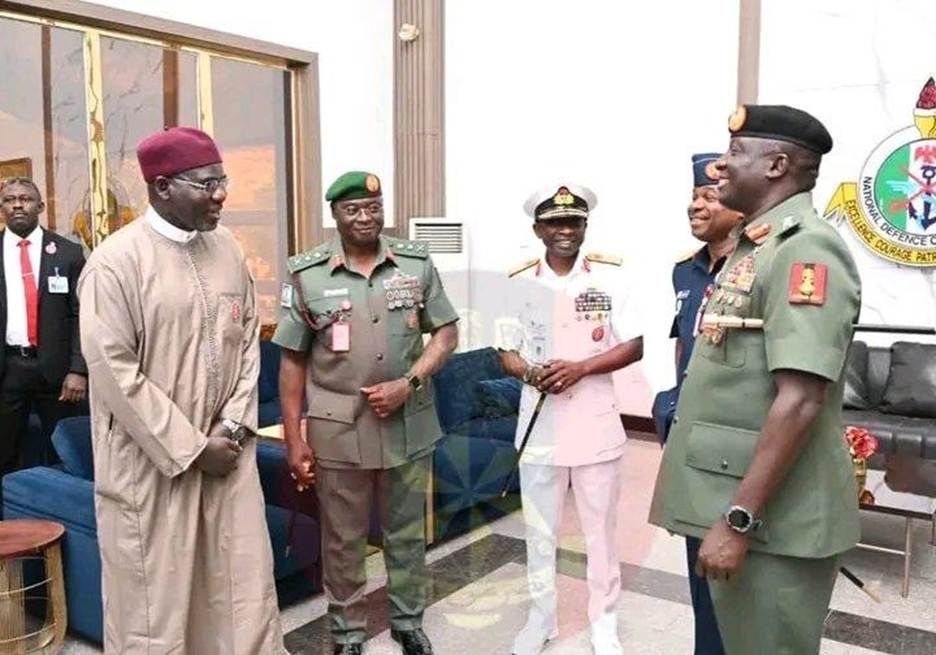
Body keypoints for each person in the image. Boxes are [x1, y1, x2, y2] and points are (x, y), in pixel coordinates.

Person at [649, 105, 862, 654]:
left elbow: (801, 399)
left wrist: (738, 520)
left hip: (768, 519)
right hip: (731, 497)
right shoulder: (756, 246)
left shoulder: (804, 248)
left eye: (735, 153)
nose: (721, 166)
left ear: (777, 166)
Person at [78, 127, 283, 654]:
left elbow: (248, 343)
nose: (221, 194)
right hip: (152, 469)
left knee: (240, 597)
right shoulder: (115, 264)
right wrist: (193, 449)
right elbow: (114, 373)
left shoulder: (229, 249)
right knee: (155, 612)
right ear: (163, 186)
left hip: (228, 457)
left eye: (222, 180)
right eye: (206, 183)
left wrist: (233, 427)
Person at [273, 171, 459, 655]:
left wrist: (408, 383)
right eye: (352, 209)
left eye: (373, 208)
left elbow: (446, 334)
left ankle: (408, 621)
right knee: (343, 540)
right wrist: (294, 438)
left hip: (408, 425)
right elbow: (292, 362)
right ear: (334, 215)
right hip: (339, 432)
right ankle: (348, 633)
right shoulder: (307, 274)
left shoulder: (415, 264)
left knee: (407, 534)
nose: (364, 217)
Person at [499, 184, 643, 655]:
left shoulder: (612, 276)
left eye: (574, 222)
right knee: (540, 532)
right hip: (539, 428)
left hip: (594, 426)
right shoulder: (516, 281)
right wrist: (530, 372)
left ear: (584, 226)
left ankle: (604, 620)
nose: (565, 230)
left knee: (600, 533)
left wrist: (581, 368)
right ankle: (541, 619)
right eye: (555, 223)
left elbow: (634, 345)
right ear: (537, 229)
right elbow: (505, 351)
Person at [651, 153, 742, 654]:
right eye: (693, 197)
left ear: (740, 205)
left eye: (709, 196)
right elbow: (682, 343)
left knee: (741, 584)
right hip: (694, 445)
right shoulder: (684, 272)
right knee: (702, 575)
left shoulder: (759, 266)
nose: (696, 206)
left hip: (737, 446)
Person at [0, 177, 86, 488]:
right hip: (8, 368)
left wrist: (79, 369)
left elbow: (82, 315)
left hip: (59, 372)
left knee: (65, 453)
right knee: (5, 453)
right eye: (9, 200)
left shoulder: (68, 252)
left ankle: (62, 511)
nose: (17, 205)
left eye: (25, 199)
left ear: (40, 206)